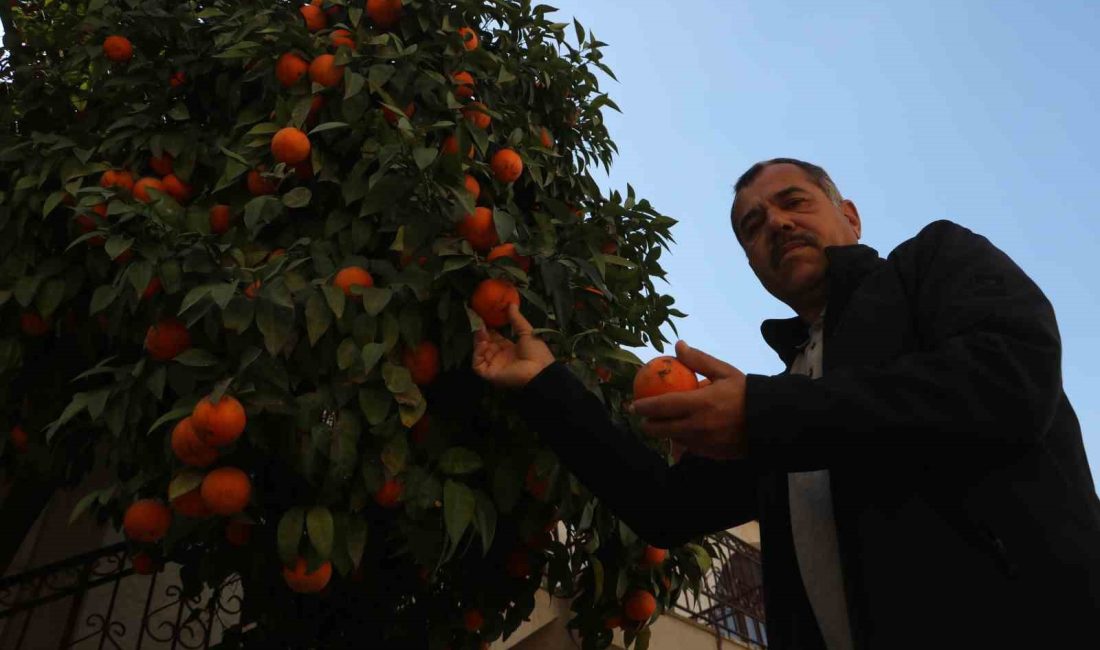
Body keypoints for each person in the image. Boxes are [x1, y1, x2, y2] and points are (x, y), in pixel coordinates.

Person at [472, 159, 1100, 649]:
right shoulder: (788, 391)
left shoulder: (932, 262)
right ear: (752, 263)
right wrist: (546, 384)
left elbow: (1011, 382)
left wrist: (766, 412)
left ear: (850, 215)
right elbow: (663, 507)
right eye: (752, 225)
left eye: (793, 201)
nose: (774, 223)